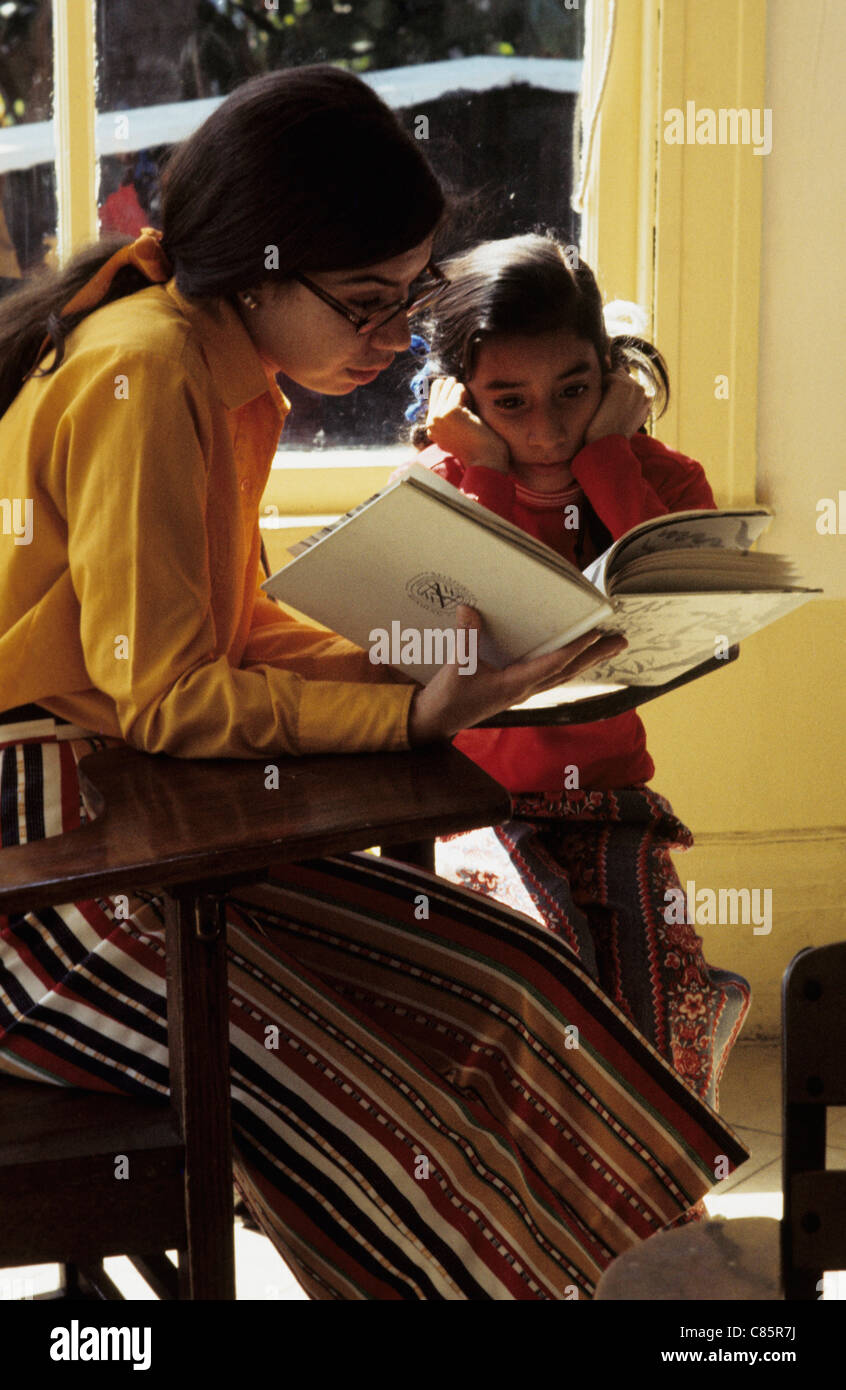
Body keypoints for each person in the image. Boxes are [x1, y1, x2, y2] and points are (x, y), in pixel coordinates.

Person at [0, 73, 746, 1301]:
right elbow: (175, 698)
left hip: (104, 830)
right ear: (256, 265)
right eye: (367, 304)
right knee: (415, 1085)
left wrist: (440, 671)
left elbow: (227, 634)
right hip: (45, 898)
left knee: (523, 985)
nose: (396, 338)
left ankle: (617, 1290)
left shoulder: (213, 365)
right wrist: (408, 707)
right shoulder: (151, 376)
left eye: (408, 300)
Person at [399, 233, 750, 1113]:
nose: (547, 430)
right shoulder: (435, 487)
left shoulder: (662, 477)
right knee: (548, 975)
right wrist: (482, 473)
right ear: (460, 400)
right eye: (507, 403)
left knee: (657, 1022)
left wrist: (608, 457)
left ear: (613, 374)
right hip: (466, 805)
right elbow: (450, 642)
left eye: (575, 392)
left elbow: (672, 618)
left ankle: (657, 1224)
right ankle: (551, 1217)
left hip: (611, 802)